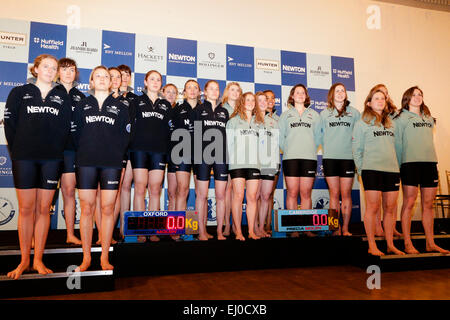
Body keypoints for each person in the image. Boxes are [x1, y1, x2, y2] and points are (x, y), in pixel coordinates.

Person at [5, 54, 72, 279]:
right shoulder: (19, 93)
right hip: (24, 158)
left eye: (54, 68)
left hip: (51, 160)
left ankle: (38, 260)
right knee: (25, 210)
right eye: (46, 66)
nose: (50, 70)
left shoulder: (62, 97)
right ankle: (24, 260)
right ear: (35, 69)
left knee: (44, 210)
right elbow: (10, 126)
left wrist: (54, 151)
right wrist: (19, 152)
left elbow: (65, 129)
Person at [72, 66, 130, 271]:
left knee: (107, 209)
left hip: (111, 164)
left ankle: (105, 256)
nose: (103, 79)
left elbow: (126, 136)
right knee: (87, 209)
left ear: (112, 81)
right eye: (98, 76)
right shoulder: (82, 105)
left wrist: (117, 158)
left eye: (106, 76)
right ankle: (86, 257)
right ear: (92, 82)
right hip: (86, 162)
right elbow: (75, 134)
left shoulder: (121, 106)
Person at [395, 86, 449, 254]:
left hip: (430, 164)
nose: (417, 97)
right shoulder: (401, 117)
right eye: (414, 95)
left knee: (428, 205)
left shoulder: (428, 118)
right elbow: (397, 144)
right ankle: (407, 243)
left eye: (420, 95)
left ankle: (430, 243)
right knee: (409, 203)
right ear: (407, 98)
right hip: (409, 164)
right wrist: (396, 167)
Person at [352, 87, 404, 256]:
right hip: (371, 171)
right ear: (369, 103)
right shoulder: (362, 123)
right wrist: (362, 170)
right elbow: (356, 150)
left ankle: (390, 245)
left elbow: (397, 148)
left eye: (382, 98)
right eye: (376, 98)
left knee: (389, 209)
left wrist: (398, 169)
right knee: (372, 208)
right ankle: (372, 245)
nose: (380, 101)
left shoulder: (391, 123)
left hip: (391, 171)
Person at [129, 70, 172, 242]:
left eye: (158, 79)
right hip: (139, 150)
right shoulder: (136, 101)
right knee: (140, 188)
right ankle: (141, 229)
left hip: (159, 151)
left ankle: (153, 229)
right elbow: (129, 127)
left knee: (155, 190)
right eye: (152, 79)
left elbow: (169, 131)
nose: (155, 82)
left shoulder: (166, 105)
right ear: (145, 82)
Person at [278, 84, 321, 237]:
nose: (300, 95)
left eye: (303, 93)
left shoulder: (315, 115)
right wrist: (290, 149)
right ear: (292, 96)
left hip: (309, 158)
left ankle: (306, 227)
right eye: (297, 92)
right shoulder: (285, 115)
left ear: (306, 96)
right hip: (290, 158)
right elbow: (281, 139)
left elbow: (318, 138)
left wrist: (308, 148)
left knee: (306, 193)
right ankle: (293, 228)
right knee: (292, 192)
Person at [319, 83, 360, 236]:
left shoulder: (354, 113)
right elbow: (319, 136)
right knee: (334, 194)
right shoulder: (324, 114)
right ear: (332, 94)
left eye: (343, 90)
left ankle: (346, 228)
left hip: (347, 158)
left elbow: (358, 136)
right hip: (330, 158)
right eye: (337, 91)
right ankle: (334, 228)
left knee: (346, 194)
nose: (340, 93)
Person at [192, 80, 229, 240]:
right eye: (211, 89)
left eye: (217, 89)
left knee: (221, 195)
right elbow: (192, 135)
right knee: (202, 195)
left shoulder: (224, 112)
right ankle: (201, 232)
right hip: (202, 156)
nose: (214, 92)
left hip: (221, 156)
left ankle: (219, 232)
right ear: (205, 92)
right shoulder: (198, 110)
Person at [226, 92, 263, 240]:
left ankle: (251, 231)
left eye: (252, 100)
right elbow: (228, 144)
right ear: (242, 102)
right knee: (238, 196)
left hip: (254, 164)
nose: (250, 102)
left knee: (252, 197)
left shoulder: (259, 122)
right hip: (238, 164)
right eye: (247, 100)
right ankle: (239, 232)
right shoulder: (233, 121)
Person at [57, 57, 86, 245]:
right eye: (65, 69)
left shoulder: (81, 97)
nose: (69, 73)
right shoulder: (48, 92)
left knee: (69, 192)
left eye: (72, 70)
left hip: (71, 151)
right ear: (58, 72)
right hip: (48, 150)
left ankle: (69, 234)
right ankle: (34, 235)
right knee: (43, 196)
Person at [371, 84, 402, 237]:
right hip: (376, 163)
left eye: (386, 94)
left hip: (391, 162)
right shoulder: (371, 114)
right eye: (381, 93)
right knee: (375, 201)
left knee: (391, 201)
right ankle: (377, 227)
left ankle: (392, 227)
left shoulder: (393, 113)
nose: (383, 96)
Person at [171, 80, 201, 211]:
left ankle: (202, 231)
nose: (192, 90)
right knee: (182, 190)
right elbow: (172, 134)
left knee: (201, 193)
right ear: (184, 92)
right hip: (182, 153)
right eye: (189, 87)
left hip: (201, 154)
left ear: (200, 92)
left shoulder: (204, 110)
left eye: (195, 88)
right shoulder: (177, 109)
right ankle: (177, 229)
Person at [117, 65, 138, 237]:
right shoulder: (108, 96)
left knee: (125, 187)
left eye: (126, 75)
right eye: (120, 74)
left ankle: (124, 227)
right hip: (112, 148)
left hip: (130, 148)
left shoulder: (135, 98)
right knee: (112, 189)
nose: (124, 77)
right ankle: (105, 231)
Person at [255, 92, 279, 237]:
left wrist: (275, 164)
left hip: (269, 163)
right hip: (255, 164)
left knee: (265, 196)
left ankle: (262, 228)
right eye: (260, 100)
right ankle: (254, 228)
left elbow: (276, 146)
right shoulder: (251, 120)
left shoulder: (273, 122)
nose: (263, 102)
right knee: (255, 196)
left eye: (265, 100)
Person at [221, 82, 243, 236]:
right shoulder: (222, 109)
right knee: (227, 190)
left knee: (238, 192)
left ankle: (237, 226)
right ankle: (227, 225)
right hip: (225, 153)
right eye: (232, 90)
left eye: (238, 90)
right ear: (227, 92)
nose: (235, 92)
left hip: (241, 155)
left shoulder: (244, 110)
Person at [263, 89, 280, 233]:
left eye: (272, 98)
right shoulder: (257, 116)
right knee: (257, 195)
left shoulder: (279, 119)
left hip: (273, 161)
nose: (270, 100)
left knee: (269, 195)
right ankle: (257, 225)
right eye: (267, 98)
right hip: (259, 162)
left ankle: (268, 226)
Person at [162, 83, 179, 212]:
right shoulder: (156, 109)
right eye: (168, 91)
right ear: (163, 93)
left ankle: (173, 227)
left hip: (174, 154)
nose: (171, 94)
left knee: (174, 192)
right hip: (159, 153)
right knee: (154, 189)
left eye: (174, 92)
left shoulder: (179, 110)